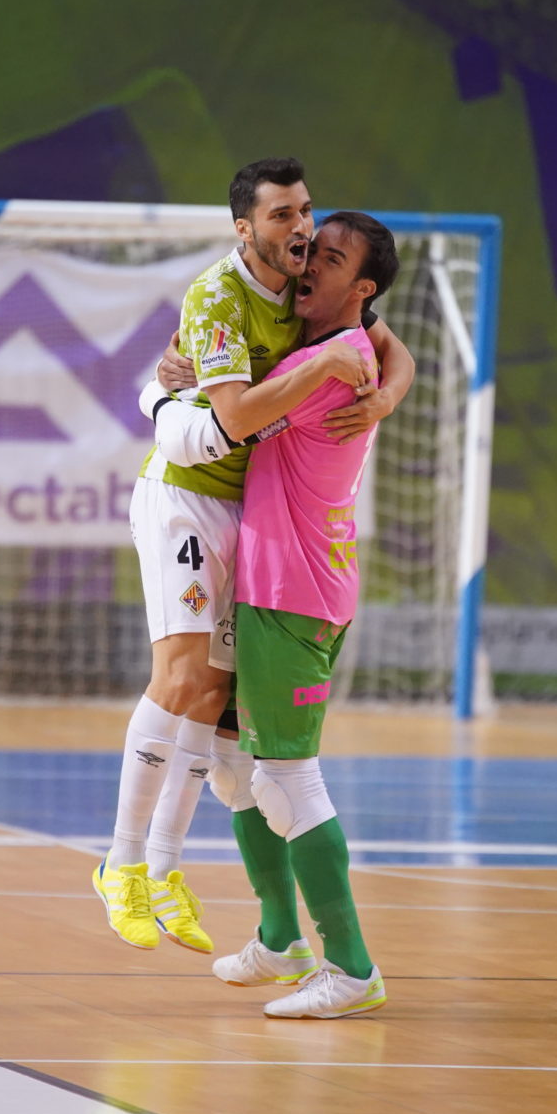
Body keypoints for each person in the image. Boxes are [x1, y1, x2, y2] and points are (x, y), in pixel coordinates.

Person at [95, 159, 414, 954]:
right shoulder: (218, 295)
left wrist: (385, 390)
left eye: (306, 212)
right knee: (182, 680)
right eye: (283, 216)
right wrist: (161, 394)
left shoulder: (311, 295)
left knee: (213, 699)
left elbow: (385, 341)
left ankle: (164, 869)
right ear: (245, 228)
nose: (302, 228)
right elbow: (231, 419)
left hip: (249, 515)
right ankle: (120, 863)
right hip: (186, 495)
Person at [144, 211, 398, 1018]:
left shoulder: (331, 365)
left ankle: (352, 969)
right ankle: (282, 939)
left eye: (331, 258)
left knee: (288, 781)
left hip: (298, 594)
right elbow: (389, 346)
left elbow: (235, 417)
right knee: (234, 768)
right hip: (265, 584)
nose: (309, 263)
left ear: (361, 287)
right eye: (310, 249)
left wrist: (160, 391)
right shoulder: (326, 344)